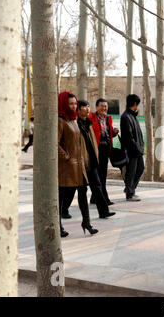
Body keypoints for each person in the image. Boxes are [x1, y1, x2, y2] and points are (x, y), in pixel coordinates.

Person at [58, 91, 98, 237]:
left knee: (83, 194)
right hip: (66, 167)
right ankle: (58, 226)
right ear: (63, 103)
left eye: (75, 103)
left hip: (79, 165)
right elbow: (56, 145)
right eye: (71, 103)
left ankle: (86, 223)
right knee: (61, 197)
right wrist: (67, 158)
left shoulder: (73, 120)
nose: (74, 106)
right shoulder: (60, 121)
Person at [76, 100, 116, 219]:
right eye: (84, 107)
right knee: (75, 190)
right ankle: (63, 209)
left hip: (95, 155)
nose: (87, 109)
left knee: (98, 183)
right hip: (82, 159)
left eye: (88, 106)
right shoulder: (80, 122)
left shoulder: (89, 122)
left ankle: (103, 211)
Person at [89, 98, 119, 205]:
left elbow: (107, 133)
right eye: (102, 106)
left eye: (105, 106)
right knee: (98, 175)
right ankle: (104, 199)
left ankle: (94, 198)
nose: (104, 108)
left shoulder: (108, 119)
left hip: (105, 150)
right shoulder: (91, 118)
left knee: (102, 174)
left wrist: (114, 132)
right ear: (96, 107)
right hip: (95, 150)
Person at [120, 94, 145, 201]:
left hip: (137, 150)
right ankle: (130, 194)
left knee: (140, 168)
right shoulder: (126, 117)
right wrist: (136, 148)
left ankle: (129, 188)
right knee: (131, 172)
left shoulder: (132, 116)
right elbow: (129, 137)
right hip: (132, 151)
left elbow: (138, 134)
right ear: (135, 104)